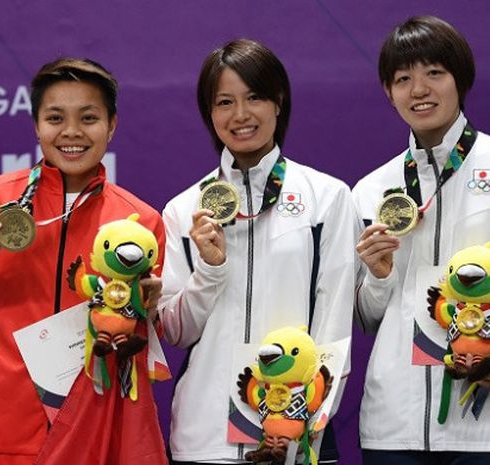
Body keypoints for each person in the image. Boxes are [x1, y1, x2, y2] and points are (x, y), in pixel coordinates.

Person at [0, 58, 167, 465]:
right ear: (37, 126)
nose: (72, 132)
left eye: (89, 118)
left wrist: (149, 310)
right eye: (55, 118)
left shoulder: (141, 223)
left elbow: (147, 340)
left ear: (112, 125)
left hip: (95, 438)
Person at [159, 39, 357, 464]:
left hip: (295, 434)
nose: (241, 115)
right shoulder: (182, 210)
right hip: (203, 436)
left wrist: (305, 420)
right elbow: (176, 331)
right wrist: (209, 271)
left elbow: (334, 322)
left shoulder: (326, 199)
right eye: (224, 102)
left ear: (278, 102)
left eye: (254, 97)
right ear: (210, 114)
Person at [354, 16, 490, 464]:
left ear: (460, 78)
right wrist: (378, 276)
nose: (418, 89)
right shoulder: (373, 189)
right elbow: (368, 318)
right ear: (389, 93)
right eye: (403, 78)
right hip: (395, 421)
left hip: (483, 423)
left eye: (434, 72)